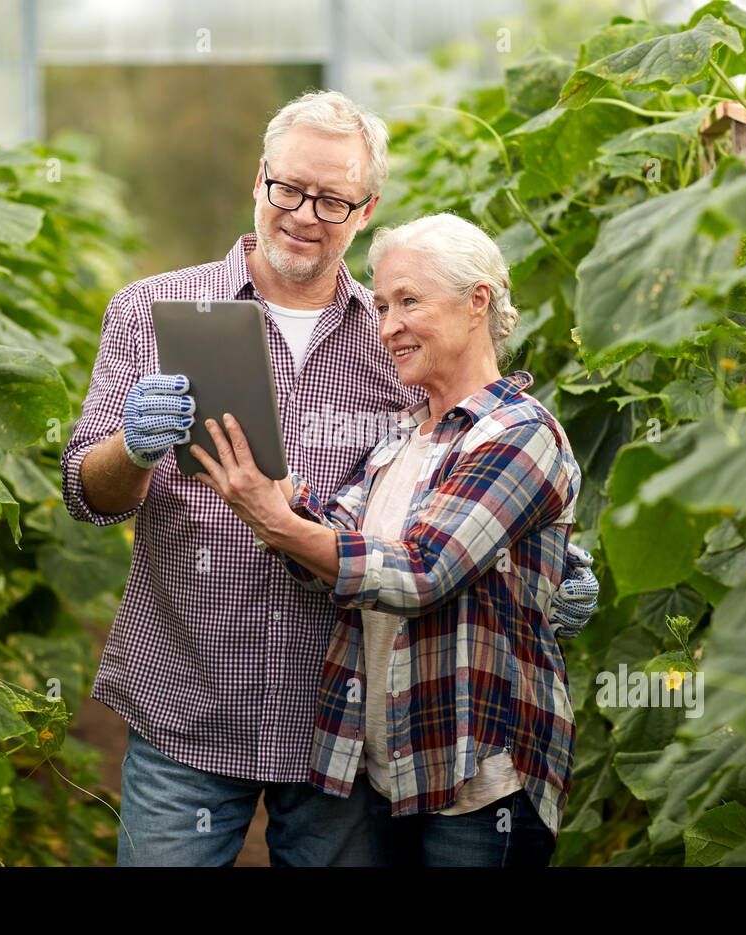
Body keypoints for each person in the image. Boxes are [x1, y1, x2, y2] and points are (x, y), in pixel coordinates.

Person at [63, 92, 596, 867]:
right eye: (289, 188)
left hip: (343, 723)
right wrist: (133, 448)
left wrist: (543, 568)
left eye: (333, 199)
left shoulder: (399, 338)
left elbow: (460, 473)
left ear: (367, 206)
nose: (305, 214)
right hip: (187, 698)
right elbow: (87, 496)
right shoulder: (152, 311)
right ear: (259, 180)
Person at [191, 212, 594, 867]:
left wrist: (281, 524)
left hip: (478, 784)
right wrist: (278, 490)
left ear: (477, 303)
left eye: (409, 302)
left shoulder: (519, 434)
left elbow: (421, 574)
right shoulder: (406, 435)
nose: (387, 327)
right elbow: (336, 548)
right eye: (380, 306)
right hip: (392, 772)